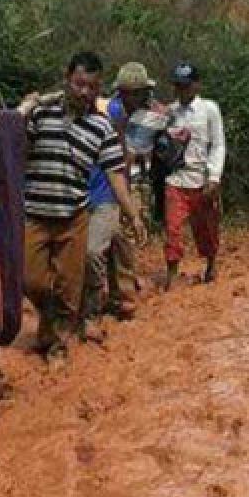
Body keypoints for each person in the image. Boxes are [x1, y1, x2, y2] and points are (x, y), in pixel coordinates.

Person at [17, 51, 143, 370]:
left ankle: (58, 346)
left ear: (100, 87)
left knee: (70, 287)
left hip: (73, 217)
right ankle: (50, 322)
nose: (84, 92)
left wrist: (133, 214)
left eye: (91, 86)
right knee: (31, 281)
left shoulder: (101, 126)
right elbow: (14, 146)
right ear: (67, 78)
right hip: (34, 214)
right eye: (78, 84)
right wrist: (24, 110)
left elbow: (116, 174)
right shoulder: (41, 113)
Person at [82, 62, 158, 329]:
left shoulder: (137, 114)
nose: (140, 97)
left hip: (117, 186)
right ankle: (107, 300)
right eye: (135, 92)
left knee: (120, 241)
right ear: (124, 93)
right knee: (105, 246)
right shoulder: (111, 112)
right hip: (102, 187)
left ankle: (121, 296)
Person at [162, 61, 226, 290]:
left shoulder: (209, 110)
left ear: (196, 86)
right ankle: (171, 273)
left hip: (201, 180)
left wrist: (214, 177)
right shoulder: (170, 112)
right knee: (173, 228)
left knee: (206, 227)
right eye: (178, 86)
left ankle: (210, 262)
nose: (182, 91)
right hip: (176, 178)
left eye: (186, 86)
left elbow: (217, 145)